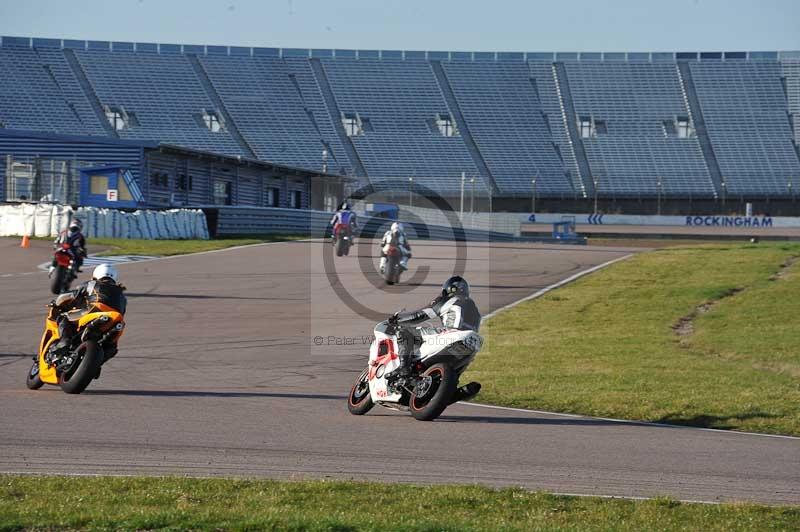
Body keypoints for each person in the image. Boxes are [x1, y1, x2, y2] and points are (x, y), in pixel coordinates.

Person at [385, 275, 482, 402]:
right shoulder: (475, 309)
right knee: (455, 369)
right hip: (473, 342)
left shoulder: (448, 299)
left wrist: (399, 319)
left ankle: (404, 368)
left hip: (452, 333)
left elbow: (420, 315)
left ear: (448, 289)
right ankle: (455, 392)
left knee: (405, 332)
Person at [51, 264, 127, 356]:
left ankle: (64, 342)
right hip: (115, 320)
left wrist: (57, 303)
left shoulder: (92, 283)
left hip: (95, 310)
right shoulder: (122, 295)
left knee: (63, 317)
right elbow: (122, 312)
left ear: (96, 274)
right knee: (111, 348)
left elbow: (72, 296)